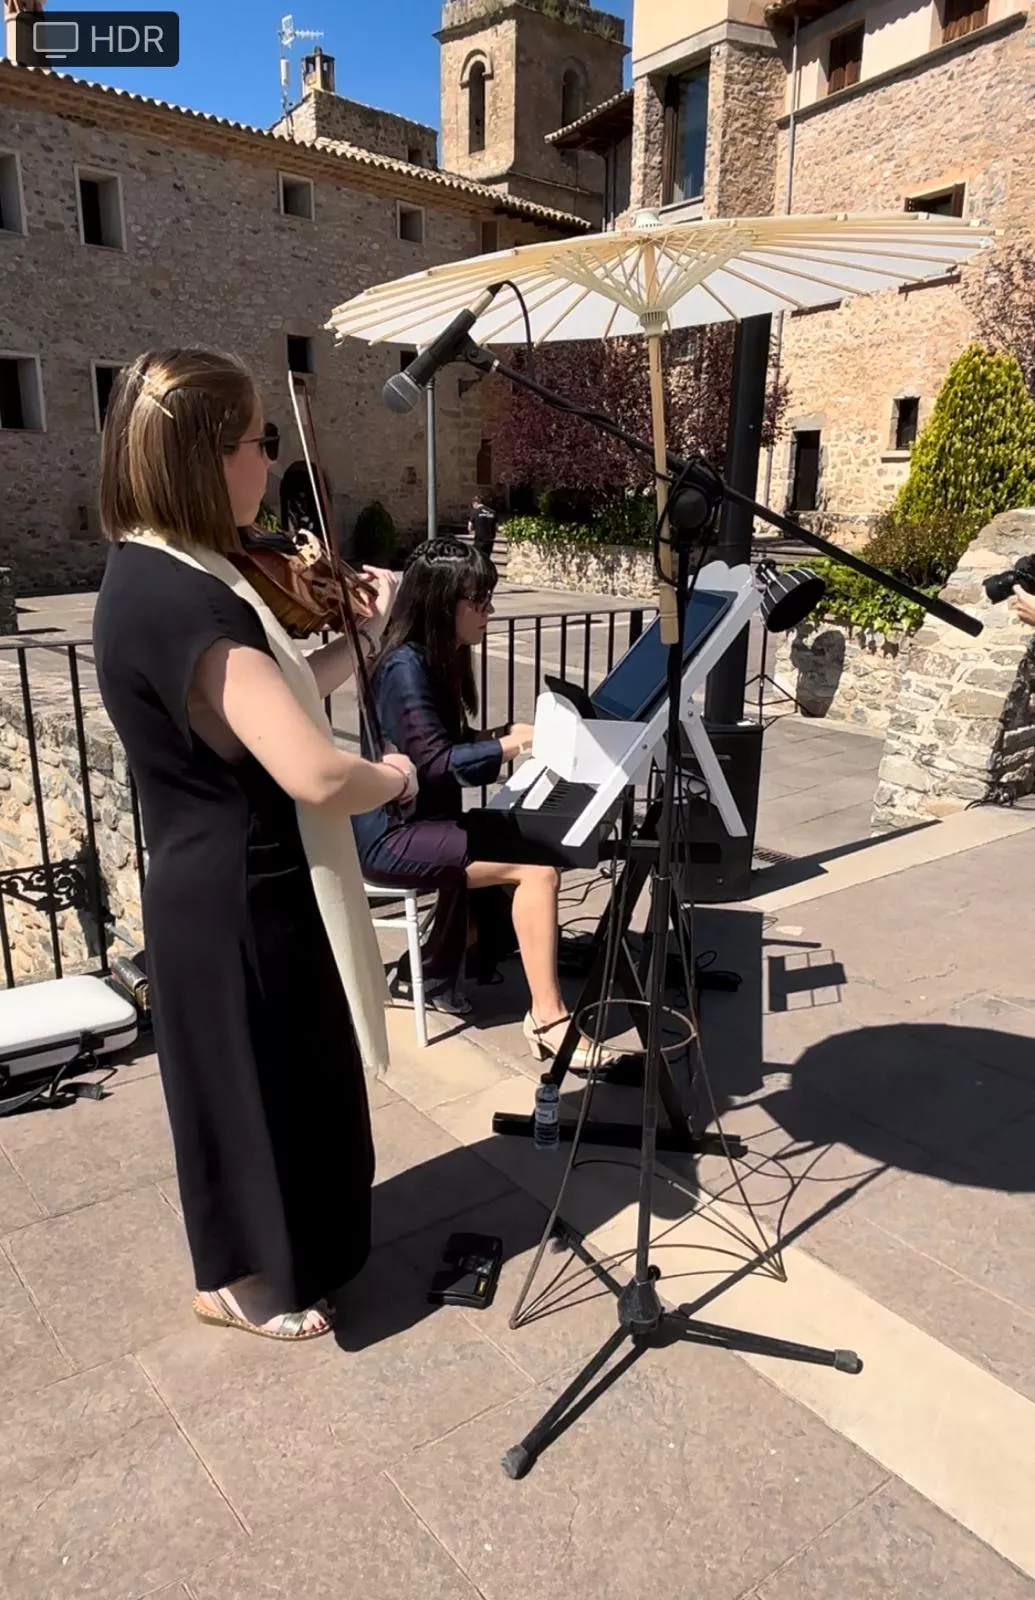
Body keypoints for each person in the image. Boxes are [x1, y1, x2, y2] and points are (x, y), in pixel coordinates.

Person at [91, 348, 417, 1343]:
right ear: (203, 458)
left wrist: (362, 637)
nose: (268, 460)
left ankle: (268, 1259)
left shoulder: (161, 572)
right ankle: (239, 1283)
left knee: (274, 1085)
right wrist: (395, 778)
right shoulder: (192, 600)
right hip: (240, 893)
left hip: (222, 880)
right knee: (259, 1092)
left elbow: (265, 707)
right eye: (255, 441)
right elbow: (314, 773)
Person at [352, 537, 610, 1067]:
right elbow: (436, 764)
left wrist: (505, 733)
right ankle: (548, 1019)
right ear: (444, 601)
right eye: (481, 600)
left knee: (519, 836)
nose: (490, 612)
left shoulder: (430, 658)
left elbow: (443, 741)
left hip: (421, 821)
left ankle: (440, 964)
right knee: (537, 872)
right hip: (391, 835)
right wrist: (512, 745)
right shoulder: (405, 668)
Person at [468, 494, 497, 559]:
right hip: (490, 541)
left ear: (475, 503)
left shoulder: (474, 512)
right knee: (487, 558)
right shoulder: (493, 512)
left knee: (478, 559)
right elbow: (496, 527)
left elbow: (470, 527)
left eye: (472, 505)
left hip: (479, 541)